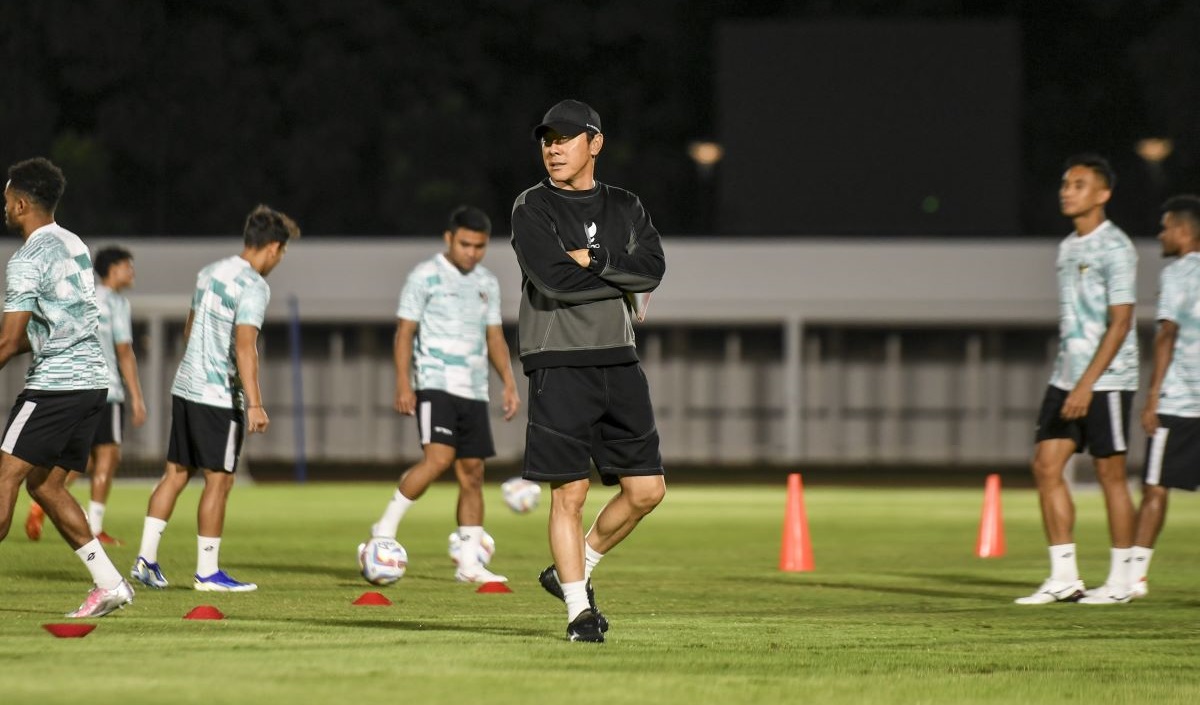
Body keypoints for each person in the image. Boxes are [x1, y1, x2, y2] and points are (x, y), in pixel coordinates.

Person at [510, 99, 666, 642]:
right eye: (547, 139)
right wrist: (620, 275)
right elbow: (554, 281)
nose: (553, 147)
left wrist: (594, 260)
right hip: (559, 363)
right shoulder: (532, 207)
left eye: (566, 137)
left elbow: (654, 269)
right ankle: (579, 614)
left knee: (647, 490)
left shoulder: (625, 205)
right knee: (569, 495)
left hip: (619, 359)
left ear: (594, 143)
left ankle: (573, 571)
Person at [129, 205, 297, 592]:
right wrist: (254, 402)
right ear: (272, 247)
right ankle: (207, 573)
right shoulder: (254, 285)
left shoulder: (210, 272)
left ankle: (145, 560)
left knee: (175, 474)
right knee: (219, 481)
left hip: (186, 387)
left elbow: (190, 330)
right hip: (218, 397)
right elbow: (245, 347)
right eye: (281, 252)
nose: (279, 260)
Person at [0, 157, 134, 617]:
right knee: (47, 486)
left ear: (20, 204)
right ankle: (110, 583)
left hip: (55, 385)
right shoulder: (74, 243)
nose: (4, 208)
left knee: (5, 479)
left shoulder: (26, 260)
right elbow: (53, 327)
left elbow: (10, 340)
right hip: (94, 384)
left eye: (6, 200)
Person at [367, 205, 520, 583]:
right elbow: (404, 332)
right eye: (465, 244)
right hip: (435, 382)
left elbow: (495, 336)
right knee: (437, 460)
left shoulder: (487, 282)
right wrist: (404, 383)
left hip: (474, 389)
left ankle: (470, 564)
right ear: (449, 239)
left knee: (473, 473)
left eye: (479, 246)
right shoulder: (425, 276)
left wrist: (509, 382)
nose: (472, 252)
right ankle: (383, 529)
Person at [1016, 153, 1139, 605]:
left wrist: (1088, 383)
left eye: (1079, 184)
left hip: (1106, 380)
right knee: (1045, 467)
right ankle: (1064, 576)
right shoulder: (1068, 248)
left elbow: (1121, 323)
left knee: (1111, 475)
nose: (1067, 190)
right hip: (1066, 375)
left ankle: (1123, 582)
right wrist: (1071, 380)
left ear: (1103, 194)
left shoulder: (1116, 247)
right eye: (1065, 183)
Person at [24, 246, 147, 545]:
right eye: (127, 266)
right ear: (113, 269)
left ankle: (42, 500)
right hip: (108, 389)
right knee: (108, 457)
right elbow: (124, 351)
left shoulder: (83, 296)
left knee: (83, 460)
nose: (132, 272)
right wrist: (137, 397)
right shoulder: (117, 303)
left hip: (75, 387)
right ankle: (95, 527)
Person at [1123, 195, 1200, 601]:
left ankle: (1134, 578)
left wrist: (1152, 397)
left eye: (1166, 226)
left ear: (1185, 232)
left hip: (1181, 402)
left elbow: (1166, 334)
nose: (1161, 234)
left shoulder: (1178, 275)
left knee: (1154, 489)